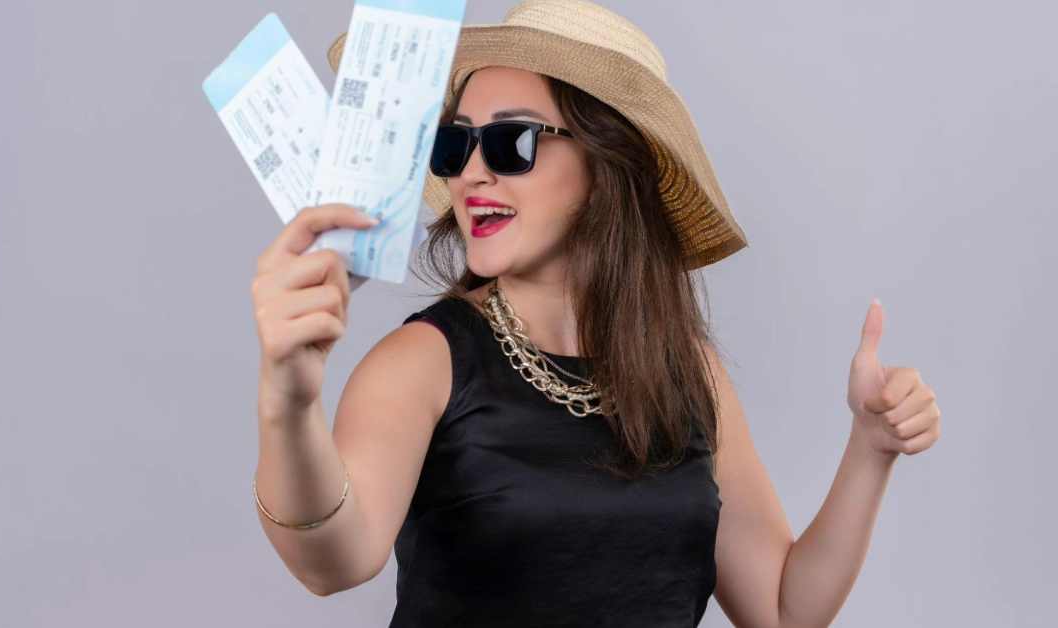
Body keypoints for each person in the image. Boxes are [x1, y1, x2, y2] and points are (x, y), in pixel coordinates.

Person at [249, 1, 942, 626]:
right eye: (456, 144)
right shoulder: (423, 362)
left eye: (511, 142)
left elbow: (783, 610)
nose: (470, 175)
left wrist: (869, 448)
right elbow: (333, 562)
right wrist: (288, 399)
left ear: (608, 162)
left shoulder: (687, 373)